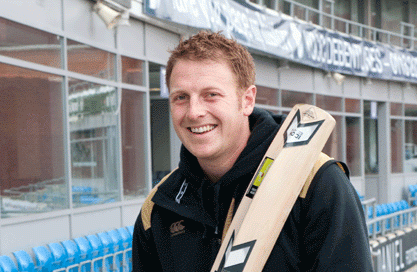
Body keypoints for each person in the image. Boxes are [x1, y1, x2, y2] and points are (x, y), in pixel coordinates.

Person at [131, 31, 373, 271]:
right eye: (181, 97)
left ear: (247, 100)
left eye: (211, 95)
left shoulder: (315, 182)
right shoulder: (160, 207)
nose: (194, 112)